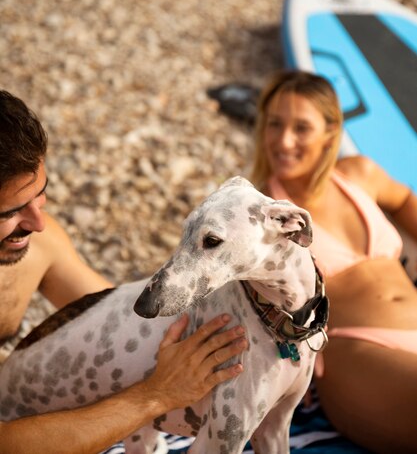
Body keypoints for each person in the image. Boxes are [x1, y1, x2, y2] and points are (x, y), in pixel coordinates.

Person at [0, 89, 248, 454]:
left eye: (41, 193)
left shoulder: (40, 244)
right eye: (11, 212)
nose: (38, 223)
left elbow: (117, 321)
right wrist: (156, 395)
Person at [250, 69, 417, 454]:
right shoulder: (260, 213)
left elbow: (406, 199)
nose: (283, 140)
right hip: (357, 352)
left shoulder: (360, 174)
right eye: (274, 124)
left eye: (301, 128)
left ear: (330, 132)